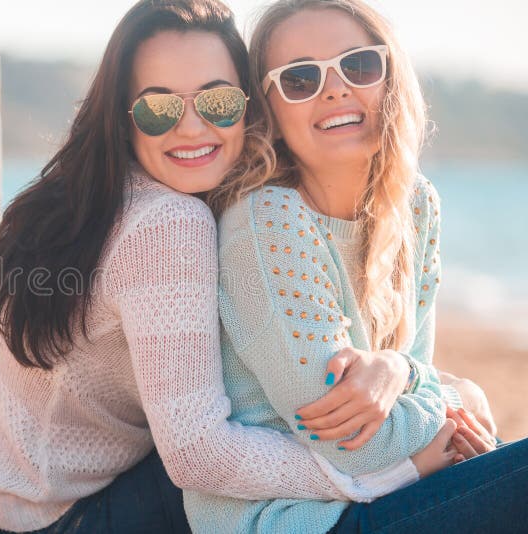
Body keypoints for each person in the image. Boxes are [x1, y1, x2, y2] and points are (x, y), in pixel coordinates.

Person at [0, 1, 464, 532]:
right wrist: (392, 473)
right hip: (74, 517)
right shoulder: (169, 223)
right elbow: (199, 455)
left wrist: (411, 374)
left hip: (16, 509)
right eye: (158, 109)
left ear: (251, 107)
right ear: (123, 117)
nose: (191, 127)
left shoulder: (100, 197)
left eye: (219, 101)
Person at [184, 1, 528, 532]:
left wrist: (404, 372)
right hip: (299, 520)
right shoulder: (265, 221)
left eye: (359, 65)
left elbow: (413, 379)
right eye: (300, 78)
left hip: (393, 493)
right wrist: (464, 396)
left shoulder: (416, 204)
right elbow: (355, 446)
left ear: (390, 77)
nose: (336, 89)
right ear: (269, 111)